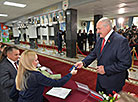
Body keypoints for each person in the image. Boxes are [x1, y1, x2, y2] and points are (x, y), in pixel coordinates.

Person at [75, 17, 132, 95]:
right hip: (100, 80)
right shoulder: (100, 38)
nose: (97, 32)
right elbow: (94, 53)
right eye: (96, 29)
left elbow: (126, 63)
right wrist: (83, 62)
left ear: (107, 27)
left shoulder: (120, 41)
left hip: (113, 82)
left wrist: (106, 69)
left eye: (99, 29)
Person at [12, 50, 77, 102]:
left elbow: (12, 94)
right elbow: (57, 83)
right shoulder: (36, 76)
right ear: (30, 62)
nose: (38, 62)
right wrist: (70, 74)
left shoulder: (20, 73)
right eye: (36, 60)